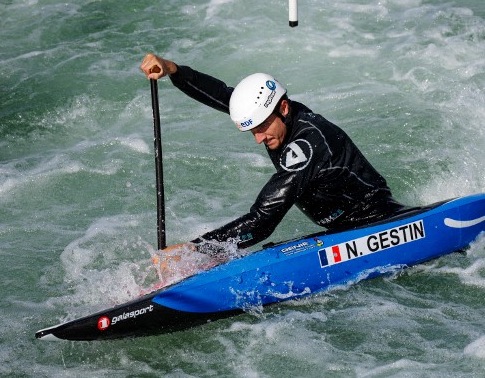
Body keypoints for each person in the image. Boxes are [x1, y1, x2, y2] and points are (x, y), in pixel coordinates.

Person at [140, 53, 406, 273]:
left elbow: (262, 221)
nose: (258, 139)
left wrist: (195, 249)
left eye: (262, 127)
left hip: (378, 225)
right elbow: (221, 95)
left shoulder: (307, 146)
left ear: (284, 108)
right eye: (252, 130)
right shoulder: (274, 114)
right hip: (340, 229)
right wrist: (172, 69)